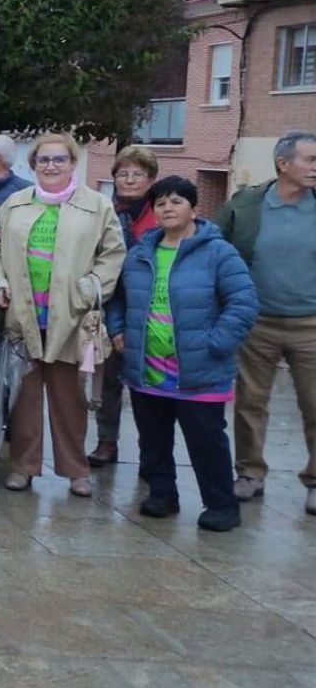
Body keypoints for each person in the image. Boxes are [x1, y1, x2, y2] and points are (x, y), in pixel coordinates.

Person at [108, 177, 258, 531]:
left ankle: (221, 505)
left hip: (198, 369)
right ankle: (162, 494)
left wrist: (215, 343)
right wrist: (117, 330)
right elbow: (117, 298)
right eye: (161, 203)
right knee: (153, 439)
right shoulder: (140, 253)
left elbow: (244, 302)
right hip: (147, 367)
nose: (168, 208)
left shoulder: (218, 252)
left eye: (176, 202)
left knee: (207, 441)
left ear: (193, 208)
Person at [0, 134, 125, 496]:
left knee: (70, 400)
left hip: (71, 317)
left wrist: (92, 288)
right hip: (24, 316)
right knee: (24, 400)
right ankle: (23, 466)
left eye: (59, 159)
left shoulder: (97, 206)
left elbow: (113, 254)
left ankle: (76, 470)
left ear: (72, 163)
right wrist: (0, 281)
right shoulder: (15, 204)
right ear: (33, 164)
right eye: (44, 160)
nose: (51, 166)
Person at [216, 130, 316, 514]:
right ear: (283, 163)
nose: (315, 167)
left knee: (314, 404)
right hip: (256, 322)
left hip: (310, 325)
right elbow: (216, 249)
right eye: (310, 160)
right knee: (250, 403)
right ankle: (249, 473)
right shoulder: (246, 205)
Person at [88, 145, 160, 467]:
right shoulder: (106, 212)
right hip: (109, 305)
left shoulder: (159, 213)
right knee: (108, 383)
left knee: (149, 387)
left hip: (151, 312)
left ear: (151, 179)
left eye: (137, 174)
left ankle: (153, 453)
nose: (129, 180)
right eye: (122, 174)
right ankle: (107, 441)